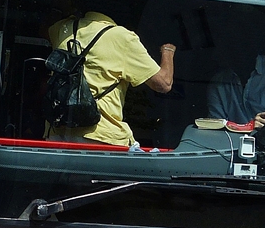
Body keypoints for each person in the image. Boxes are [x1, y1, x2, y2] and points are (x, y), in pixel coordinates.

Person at [45, 9, 175, 147]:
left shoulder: (63, 29)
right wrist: (168, 50)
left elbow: (44, 29)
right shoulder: (123, 37)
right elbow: (163, 83)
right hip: (102, 138)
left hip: (56, 134)